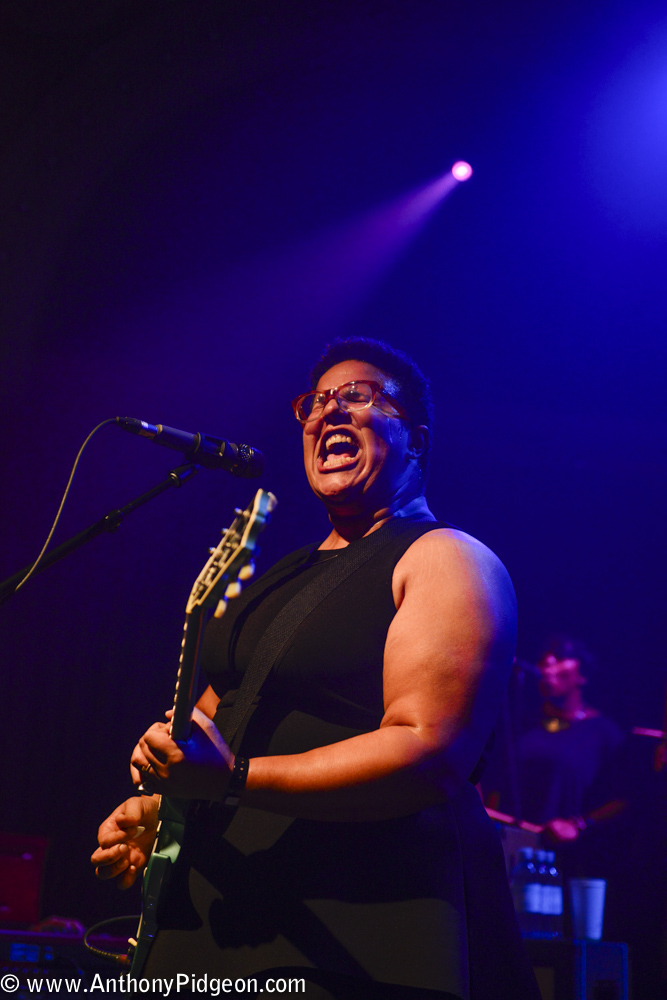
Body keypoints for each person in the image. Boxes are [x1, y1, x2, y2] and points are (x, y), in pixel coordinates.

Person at [92, 338, 540, 1000]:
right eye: (316, 401)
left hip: (351, 935)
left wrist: (232, 781)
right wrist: (162, 801)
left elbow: (428, 751)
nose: (328, 412)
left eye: (356, 396)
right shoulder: (283, 577)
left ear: (414, 439)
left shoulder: (445, 559)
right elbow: (219, 721)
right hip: (219, 921)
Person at [484, 635, 626, 842]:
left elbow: (621, 798)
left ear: (582, 675)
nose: (548, 662)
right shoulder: (520, 724)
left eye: (560, 657)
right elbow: (495, 786)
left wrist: (580, 824)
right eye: (544, 659)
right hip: (511, 844)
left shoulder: (604, 733)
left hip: (570, 856)